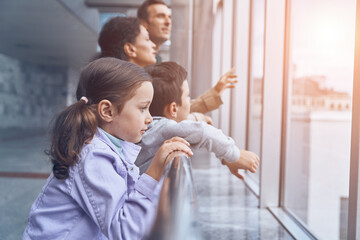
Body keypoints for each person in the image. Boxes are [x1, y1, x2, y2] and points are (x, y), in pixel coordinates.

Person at [22, 58, 193, 240]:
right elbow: (124, 232)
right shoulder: (93, 156)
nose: (150, 118)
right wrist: (155, 170)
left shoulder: (111, 147)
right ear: (108, 111)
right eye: (143, 108)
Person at [98, 16, 237, 121]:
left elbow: (170, 109)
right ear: (130, 49)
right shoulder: (124, 90)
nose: (153, 45)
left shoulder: (133, 82)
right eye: (147, 39)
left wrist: (214, 94)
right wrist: (196, 121)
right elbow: (157, 125)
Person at [135, 61, 259, 179]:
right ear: (173, 108)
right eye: (188, 96)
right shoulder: (166, 129)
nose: (190, 101)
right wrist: (235, 156)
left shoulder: (146, 128)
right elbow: (203, 132)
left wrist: (225, 159)